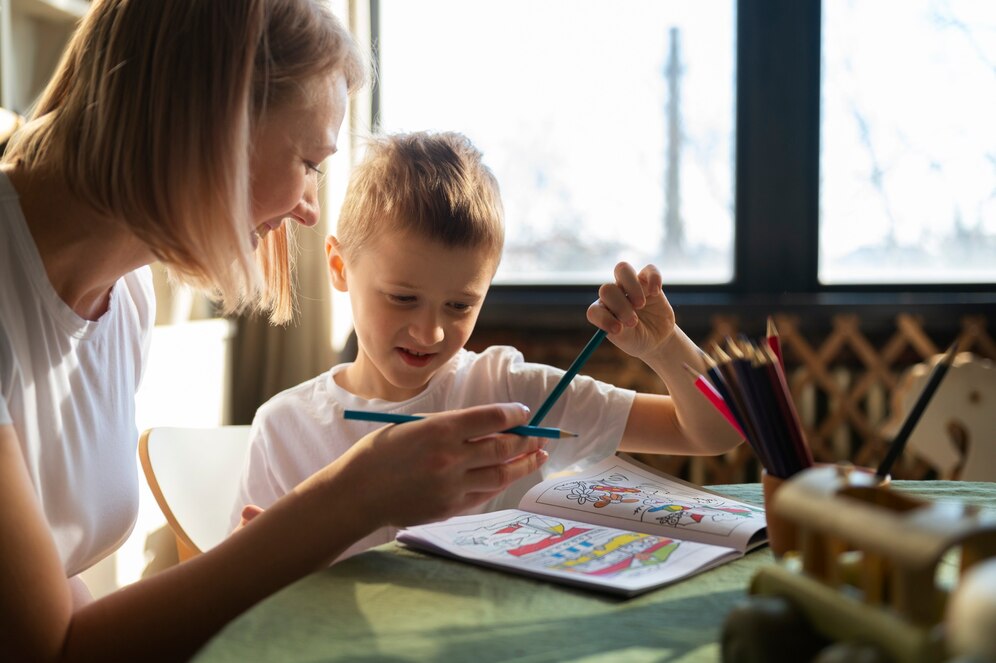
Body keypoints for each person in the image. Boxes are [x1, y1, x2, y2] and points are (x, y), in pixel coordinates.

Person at [0, 2, 549, 660]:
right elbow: (47, 648)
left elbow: (57, 601)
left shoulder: (125, 298)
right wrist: (352, 496)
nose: (311, 211)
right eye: (310, 162)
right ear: (210, 125)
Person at [232, 131, 744, 560]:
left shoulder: (516, 393)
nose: (430, 333)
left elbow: (712, 433)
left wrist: (663, 347)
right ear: (341, 267)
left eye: (459, 306)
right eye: (403, 298)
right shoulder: (286, 427)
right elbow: (246, 585)